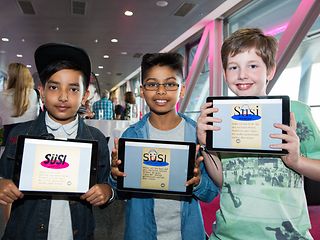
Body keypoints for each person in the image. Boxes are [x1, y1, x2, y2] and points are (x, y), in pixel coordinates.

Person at [197, 28, 320, 239]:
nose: (242, 75)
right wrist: (206, 144)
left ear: (270, 71)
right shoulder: (221, 116)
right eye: (233, 67)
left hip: (288, 235)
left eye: (252, 66)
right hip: (228, 234)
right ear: (225, 74)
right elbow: (222, 181)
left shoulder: (295, 112)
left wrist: (296, 161)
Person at [0, 43, 114, 240]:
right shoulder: (19, 134)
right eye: (54, 87)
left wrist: (107, 192)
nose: (63, 97)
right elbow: (3, 175)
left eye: (73, 89)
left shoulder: (96, 139)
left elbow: (106, 184)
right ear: (41, 91)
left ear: (85, 95)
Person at [111, 52, 219, 240]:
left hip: (187, 233)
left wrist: (198, 182)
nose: (161, 91)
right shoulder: (132, 136)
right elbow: (121, 192)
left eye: (170, 84)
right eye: (152, 84)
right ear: (142, 91)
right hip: (141, 233)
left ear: (182, 90)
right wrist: (115, 177)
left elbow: (211, 193)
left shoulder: (197, 136)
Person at [0, 63, 40, 226]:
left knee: (9, 189)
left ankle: (10, 227)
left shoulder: (2, 95)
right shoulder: (34, 94)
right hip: (29, 144)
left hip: (8, 143)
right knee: (27, 186)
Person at [0, 63, 39, 146]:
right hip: (29, 138)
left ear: (11, 77)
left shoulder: (2, 96)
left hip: (9, 137)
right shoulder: (34, 94)